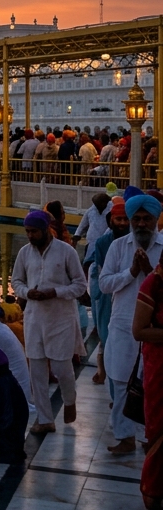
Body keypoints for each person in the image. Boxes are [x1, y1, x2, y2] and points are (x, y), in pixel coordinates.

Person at [98, 192, 163, 455]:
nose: (141, 224)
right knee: (121, 382)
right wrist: (131, 273)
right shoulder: (118, 246)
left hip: (155, 327)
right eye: (136, 219)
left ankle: (154, 437)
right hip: (124, 324)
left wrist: (150, 272)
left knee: (155, 386)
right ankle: (124, 437)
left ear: (156, 220)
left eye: (147, 218)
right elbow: (104, 284)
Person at [10, 209, 86, 433]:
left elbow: (80, 285)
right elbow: (16, 281)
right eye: (27, 232)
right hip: (34, 318)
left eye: (34, 231)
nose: (30, 236)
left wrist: (56, 292)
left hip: (60, 318)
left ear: (46, 230)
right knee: (37, 370)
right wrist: (26, 292)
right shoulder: (25, 253)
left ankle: (69, 401)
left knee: (63, 367)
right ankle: (45, 420)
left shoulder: (66, 252)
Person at [88, 196, 129, 387]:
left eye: (125, 219)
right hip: (107, 297)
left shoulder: (136, 241)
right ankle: (112, 385)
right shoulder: (103, 243)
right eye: (118, 219)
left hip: (128, 299)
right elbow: (102, 273)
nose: (122, 223)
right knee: (107, 340)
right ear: (111, 220)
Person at [134, 260, 163, 510]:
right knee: (159, 429)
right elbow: (139, 331)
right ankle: (153, 490)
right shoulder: (154, 283)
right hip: (159, 368)